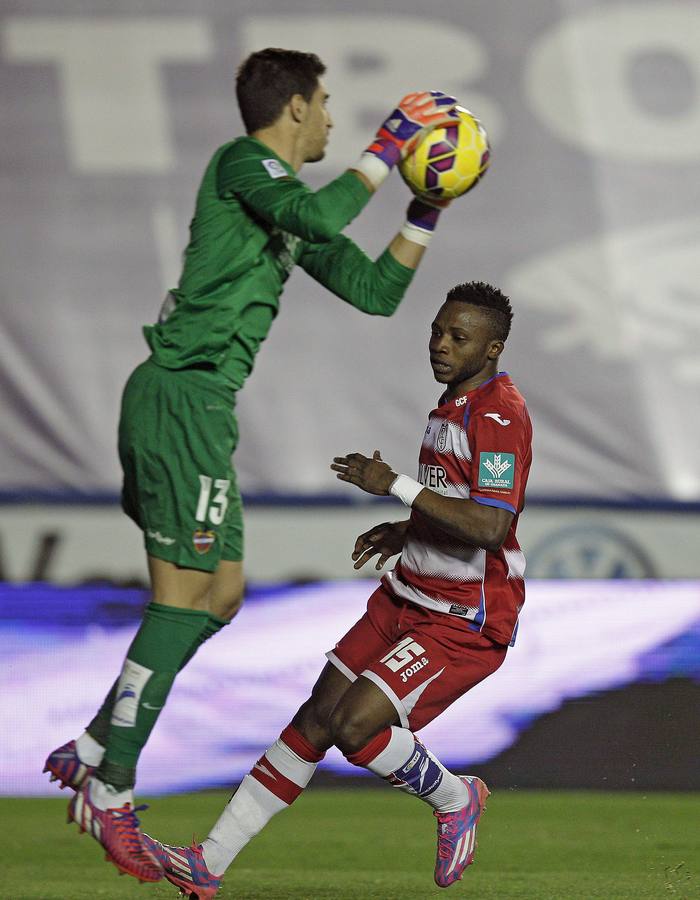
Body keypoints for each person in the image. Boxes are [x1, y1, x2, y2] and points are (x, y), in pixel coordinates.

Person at [42, 47, 459, 883]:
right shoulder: (244, 166)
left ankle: (95, 741)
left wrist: (423, 207)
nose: (334, 120)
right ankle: (111, 784)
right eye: (328, 105)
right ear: (296, 108)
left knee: (221, 595)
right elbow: (323, 218)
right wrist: (391, 142)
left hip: (200, 412)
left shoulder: (278, 212)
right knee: (181, 595)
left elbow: (375, 292)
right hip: (180, 400)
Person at [143, 281, 533, 897]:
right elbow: (459, 504)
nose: (439, 344)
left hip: (462, 619)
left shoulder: (497, 414)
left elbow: (492, 524)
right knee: (316, 719)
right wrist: (409, 529)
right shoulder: (450, 406)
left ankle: (458, 798)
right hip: (408, 595)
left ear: (493, 349)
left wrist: (395, 485)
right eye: (436, 330)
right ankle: (207, 863)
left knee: (355, 730)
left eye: (458, 337)